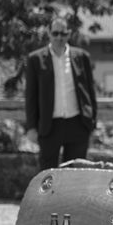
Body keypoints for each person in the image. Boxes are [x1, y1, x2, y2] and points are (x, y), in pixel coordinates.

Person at [25, 16, 97, 170]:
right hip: (49, 125)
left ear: (69, 34)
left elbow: (90, 92)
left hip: (77, 123)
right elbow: (30, 96)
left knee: (76, 174)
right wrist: (31, 127)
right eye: (55, 33)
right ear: (49, 34)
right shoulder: (35, 59)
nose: (59, 37)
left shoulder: (82, 57)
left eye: (63, 34)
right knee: (47, 175)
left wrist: (92, 123)